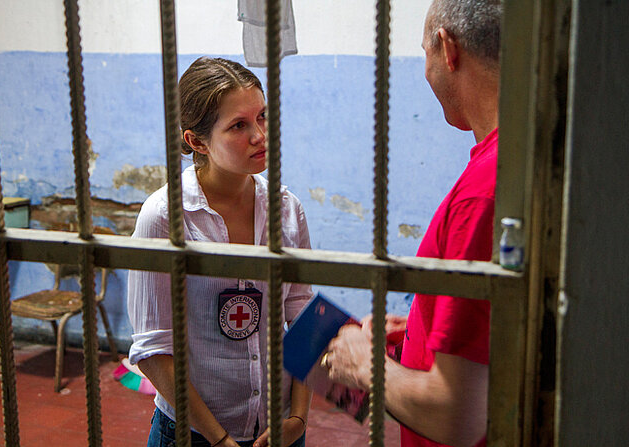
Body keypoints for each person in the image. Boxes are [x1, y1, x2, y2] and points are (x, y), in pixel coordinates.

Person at [323, 1, 502, 446]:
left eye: (425, 53)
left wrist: (365, 365)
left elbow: (457, 416)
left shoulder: (483, 191)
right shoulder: (520, 162)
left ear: (448, 48)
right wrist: (425, 328)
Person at [127, 57, 312, 447]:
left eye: (262, 116)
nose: (260, 135)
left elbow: (302, 317)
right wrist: (220, 439)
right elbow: (152, 349)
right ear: (197, 141)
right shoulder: (164, 217)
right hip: (192, 434)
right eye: (239, 126)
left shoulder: (286, 209)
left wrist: (297, 417)